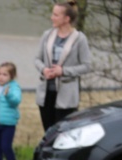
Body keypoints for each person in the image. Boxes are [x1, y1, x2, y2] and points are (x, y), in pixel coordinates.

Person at [34, 1, 91, 131]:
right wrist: (44, 69)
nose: (51, 17)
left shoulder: (80, 39)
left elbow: (86, 66)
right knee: (48, 134)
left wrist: (63, 71)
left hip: (66, 98)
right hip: (46, 95)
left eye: (55, 15)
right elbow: (37, 59)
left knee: (63, 135)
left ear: (66, 19)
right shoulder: (47, 35)